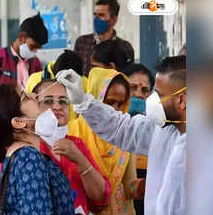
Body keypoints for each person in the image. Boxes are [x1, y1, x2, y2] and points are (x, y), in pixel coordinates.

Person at [56, 55, 187, 215]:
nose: (150, 101)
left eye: (159, 95)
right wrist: (83, 101)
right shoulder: (161, 131)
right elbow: (121, 127)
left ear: (182, 101)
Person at [0, 80, 111, 215]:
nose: (35, 96)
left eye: (64, 101)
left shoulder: (25, 154)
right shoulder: (29, 157)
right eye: (26, 97)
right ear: (19, 122)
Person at [69, 68, 143, 215]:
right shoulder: (72, 134)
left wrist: (152, 183)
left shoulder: (124, 137)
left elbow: (130, 188)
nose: (115, 110)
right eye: (110, 103)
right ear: (95, 97)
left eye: (121, 104)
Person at [0, 13, 47, 118]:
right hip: (1, 125)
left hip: (27, 126)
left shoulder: (35, 64)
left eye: (38, 48)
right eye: (33, 46)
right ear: (22, 38)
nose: (35, 51)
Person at [122, 63, 155, 215]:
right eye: (132, 87)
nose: (138, 94)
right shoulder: (106, 124)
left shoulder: (156, 126)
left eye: (145, 90)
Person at [74, 0, 134, 76]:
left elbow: (129, 78)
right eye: (95, 15)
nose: (96, 19)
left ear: (113, 19)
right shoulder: (82, 42)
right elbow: (74, 73)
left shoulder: (125, 48)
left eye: (101, 15)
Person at [25, 49, 87, 121]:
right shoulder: (34, 79)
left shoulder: (83, 82)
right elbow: (27, 110)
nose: (57, 107)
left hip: (73, 130)